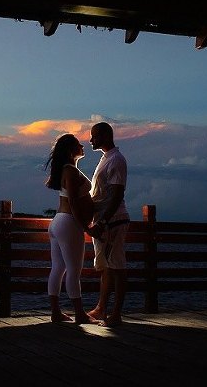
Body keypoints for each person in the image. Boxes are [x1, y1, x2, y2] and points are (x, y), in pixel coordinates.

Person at [44, 133, 98, 324]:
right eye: (78, 144)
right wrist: (87, 228)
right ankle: (79, 314)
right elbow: (74, 203)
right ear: (70, 150)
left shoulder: (66, 170)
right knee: (74, 270)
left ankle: (56, 312)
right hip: (69, 223)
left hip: (59, 222)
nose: (82, 146)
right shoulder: (71, 172)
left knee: (58, 268)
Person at [86, 122, 130, 327]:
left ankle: (116, 314)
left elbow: (116, 194)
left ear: (105, 135)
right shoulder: (106, 159)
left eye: (94, 136)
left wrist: (103, 221)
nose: (90, 140)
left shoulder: (116, 160)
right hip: (104, 221)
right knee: (106, 267)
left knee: (117, 266)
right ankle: (102, 308)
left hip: (113, 221)